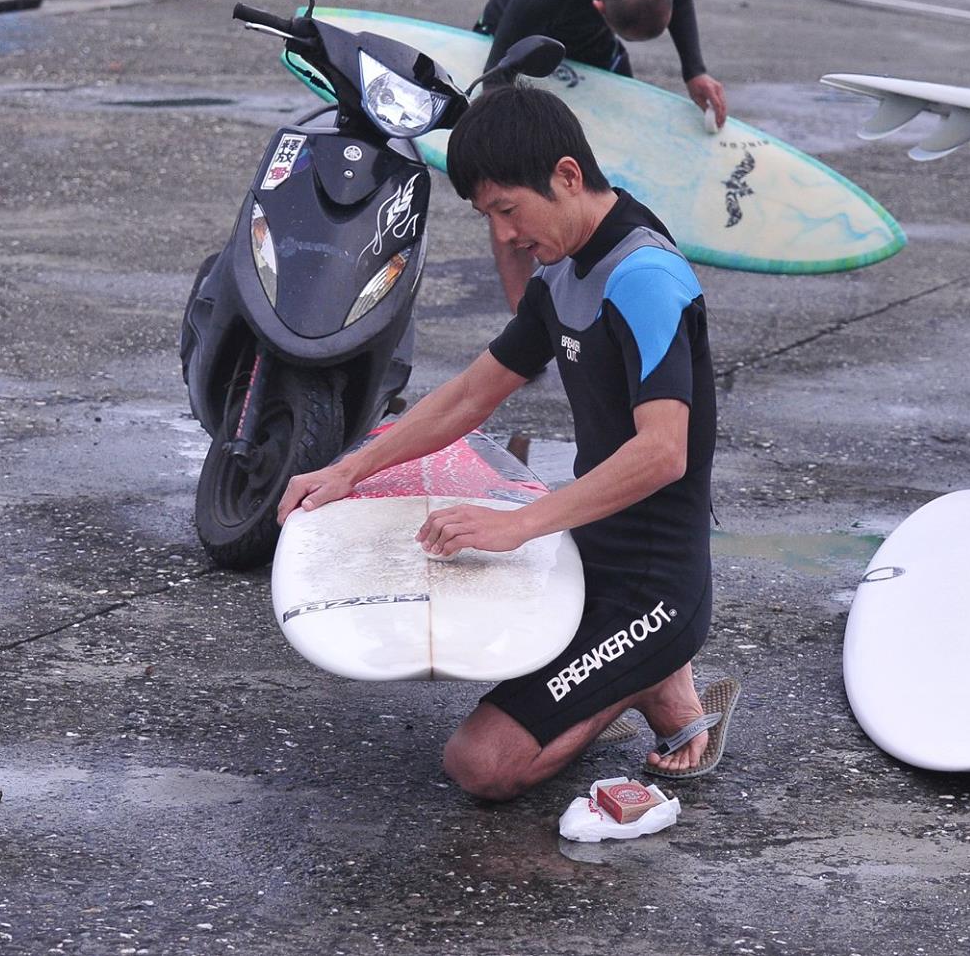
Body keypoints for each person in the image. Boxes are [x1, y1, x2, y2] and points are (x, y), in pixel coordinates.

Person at [277, 86, 731, 801]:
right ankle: (643, 674)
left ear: (568, 177)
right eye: (489, 216)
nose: (504, 235)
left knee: (481, 764)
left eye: (507, 209)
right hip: (589, 551)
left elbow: (662, 452)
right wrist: (348, 468)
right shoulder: (563, 269)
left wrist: (513, 526)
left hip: (655, 582)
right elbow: (471, 394)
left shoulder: (645, 278)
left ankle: (652, 670)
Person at [474, 0, 729, 308]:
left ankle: (611, 283)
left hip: (587, 41)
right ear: (599, 7)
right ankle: (522, 318)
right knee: (511, 182)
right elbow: (494, 82)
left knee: (614, 168)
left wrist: (694, 70)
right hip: (516, 42)